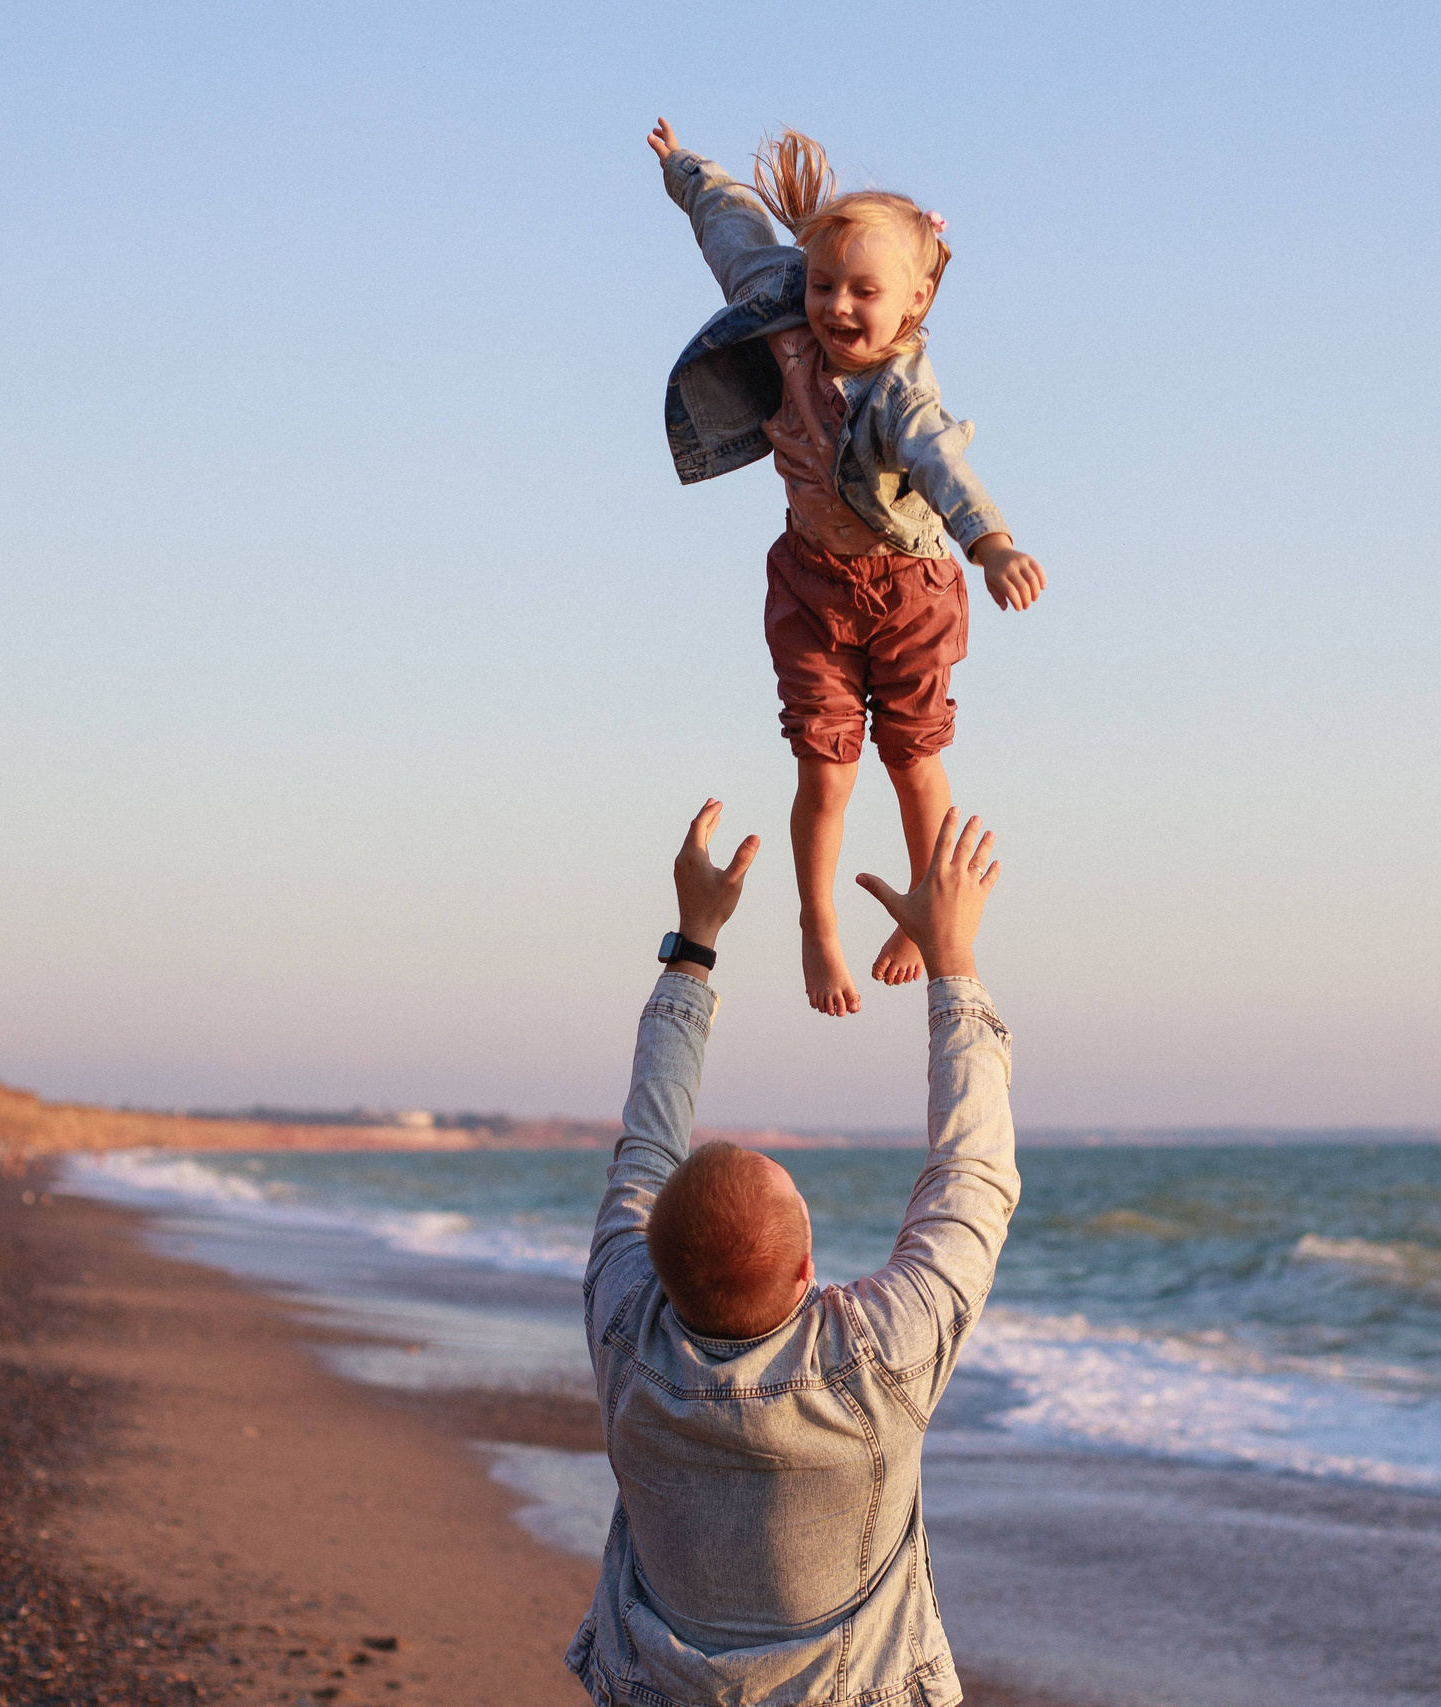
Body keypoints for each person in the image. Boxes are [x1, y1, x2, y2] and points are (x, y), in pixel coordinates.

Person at [566, 799, 1020, 1707]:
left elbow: (647, 1144)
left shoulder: (626, 1324)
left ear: (657, 1263)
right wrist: (953, 960)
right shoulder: (873, 1364)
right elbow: (972, 1171)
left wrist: (695, 941)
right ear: (808, 1271)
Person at [647, 117, 1050, 1018]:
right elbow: (731, 225)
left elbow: (947, 468)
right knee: (825, 771)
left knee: (914, 761)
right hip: (812, 583)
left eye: (863, 293)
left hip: (908, 590)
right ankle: (817, 921)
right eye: (825, 283)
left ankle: (923, 906)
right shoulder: (780, 294)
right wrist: (683, 167)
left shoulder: (903, 395)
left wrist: (992, 546)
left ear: (913, 305)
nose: (835, 306)